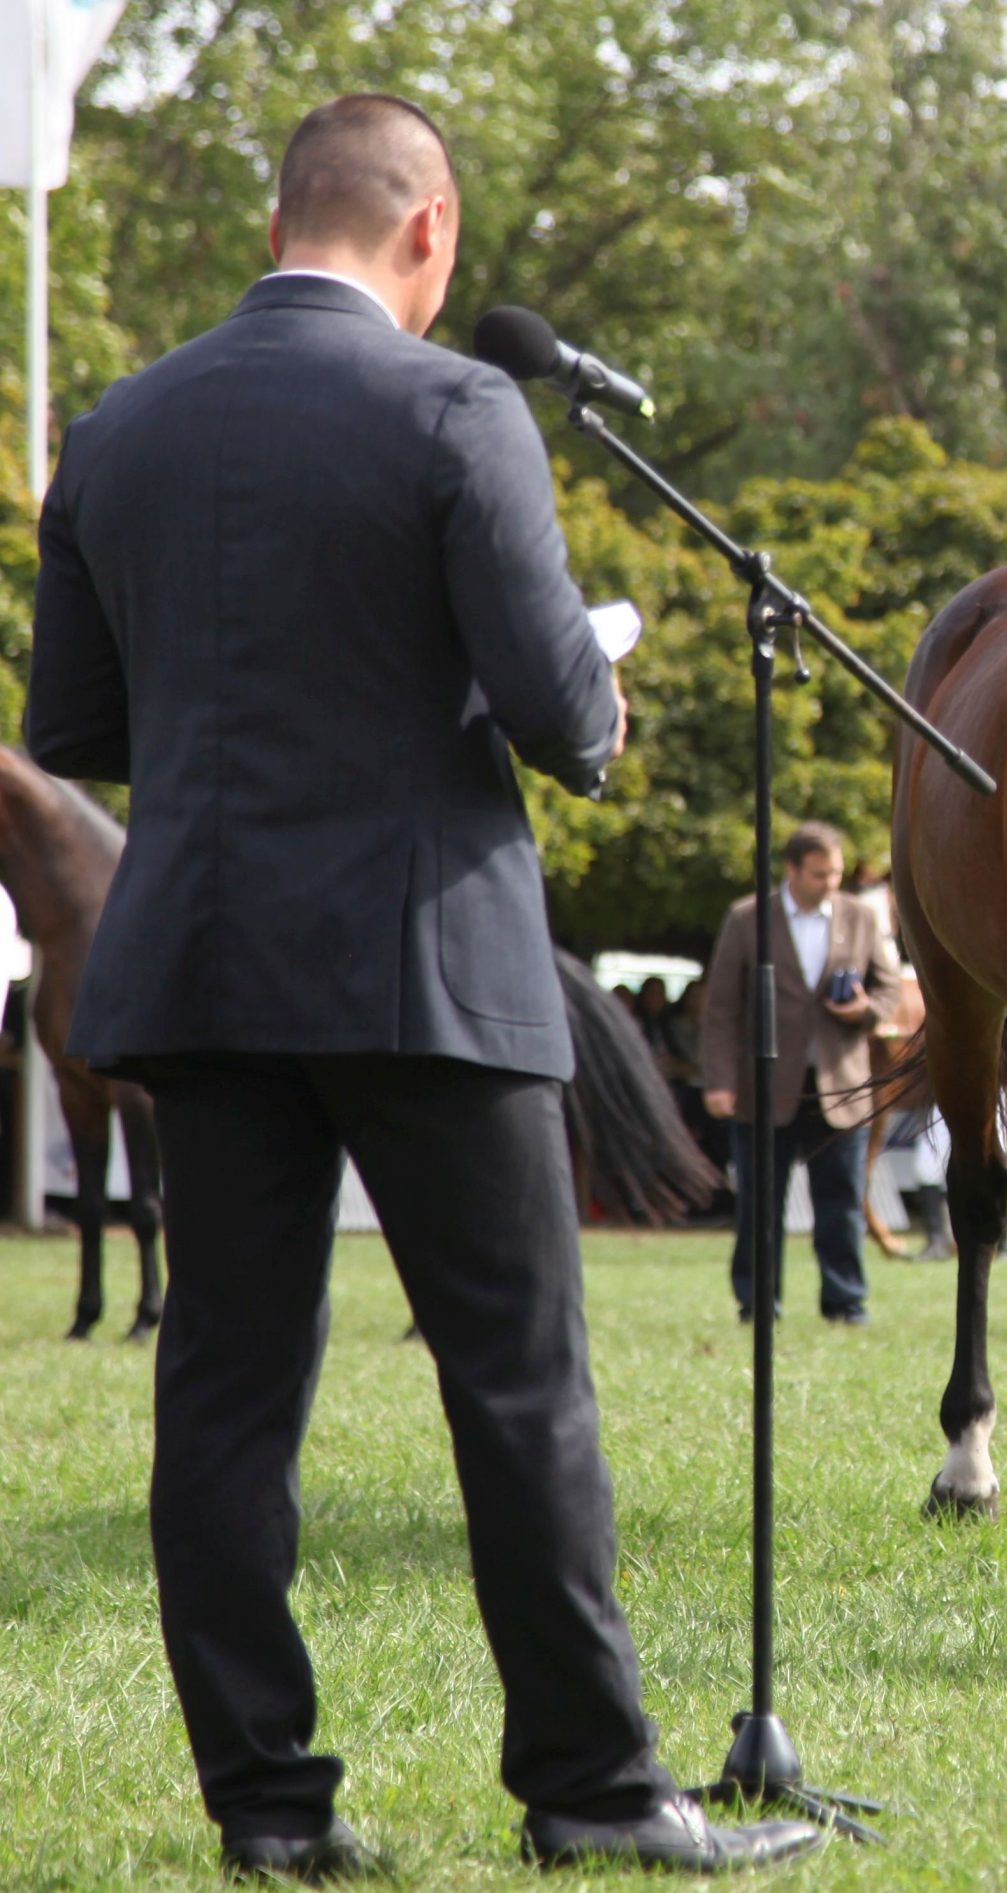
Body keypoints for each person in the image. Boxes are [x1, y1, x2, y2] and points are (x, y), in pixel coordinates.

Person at [23, 95, 814, 1875]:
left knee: (224, 1394)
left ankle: (269, 1814)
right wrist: (585, 706)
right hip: (421, 964)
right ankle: (595, 1795)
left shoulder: (120, 431)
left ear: (280, 212)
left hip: (203, 963)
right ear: (430, 232)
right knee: (517, 1383)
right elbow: (555, 707)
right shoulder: (463, 406)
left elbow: (74, 732)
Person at [700, 821, 901, 1325]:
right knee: (759, 1208)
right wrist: (720, 1079)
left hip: (842, 1086)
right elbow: (722, 1007)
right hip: (764, 1087)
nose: (830, 883)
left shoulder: (859, 917)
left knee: (842, 1205)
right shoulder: (748, 919)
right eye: (818, 874)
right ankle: (758, 1301)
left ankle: (845, 1302)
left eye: (835, 873)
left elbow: (889, 988)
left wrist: (866, 1011)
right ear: (791, 870)